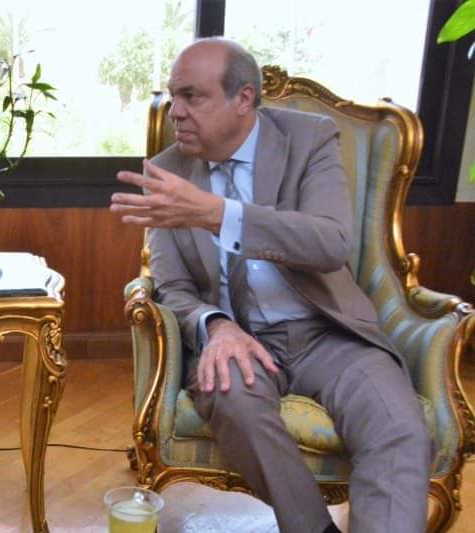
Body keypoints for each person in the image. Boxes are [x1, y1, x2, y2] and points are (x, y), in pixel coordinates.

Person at [110, 38, 431, 533]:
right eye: (173, 96)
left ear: (244, 98)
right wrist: (217, 326)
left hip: (328, 332)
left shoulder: (309, 140)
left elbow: (330, 242)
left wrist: (218, 214)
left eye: (192, 96)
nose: (176, 111)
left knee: (397, 426)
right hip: (236, 341)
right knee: (234, 400)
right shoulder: (170, 172)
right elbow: (171, 287)